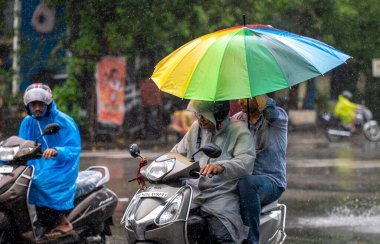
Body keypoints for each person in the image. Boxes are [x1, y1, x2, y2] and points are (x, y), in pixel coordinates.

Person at [171, 100, 255, 243]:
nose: (200, 118)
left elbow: (246, 161)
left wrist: (221, 166)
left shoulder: (238, 130)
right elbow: (177, 153)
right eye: (198, 114)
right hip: (192, 194)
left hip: (221, 193)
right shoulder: (196, 128)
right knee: (174, 228)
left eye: (204, 115)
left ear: (218, 114)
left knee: (222, 235)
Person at [20, 83, 81, 240]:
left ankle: (63, 221)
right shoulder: (28, 122)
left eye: (41, 104)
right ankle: (43, 221)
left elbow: (74, 148)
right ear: (28, 106)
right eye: (34, 105)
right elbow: (21, 144)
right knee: (24, 181)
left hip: (62, 165)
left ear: (48, 104)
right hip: (38, 163)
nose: (38, 108)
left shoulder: (63, 120)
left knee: (42, 182)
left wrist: (57, 151)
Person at [233, 95, 287, 244]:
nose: (240, 101)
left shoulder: (278, 117)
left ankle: (252, 241)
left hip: (271, 180)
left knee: (247, 184)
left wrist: (259, 91)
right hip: (243, 177)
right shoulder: (237, 120)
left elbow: (270, 113)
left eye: (245, 97)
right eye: (239, 97)